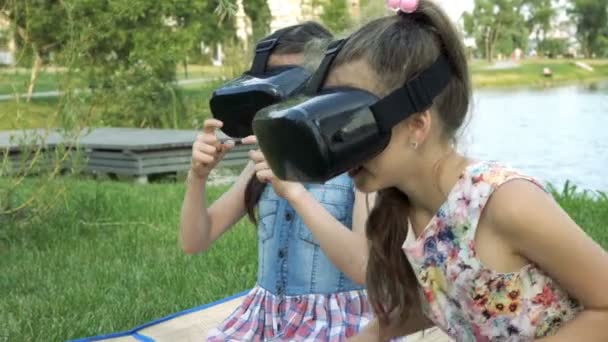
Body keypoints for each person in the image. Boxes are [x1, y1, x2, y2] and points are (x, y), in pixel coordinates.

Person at [253, 1, 608, 341]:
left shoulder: (503, 202)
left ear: (418, 124)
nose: (338, 141)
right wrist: (371, 335)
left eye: (352, 121)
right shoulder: (405, 207)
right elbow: (452, 299)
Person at [180, 22, 373, 341]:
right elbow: (194, 241)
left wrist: (296, 194)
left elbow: (365, 267)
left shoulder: (363, 162)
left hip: (337, 324)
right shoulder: (264, 157)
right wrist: (197, 177)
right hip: (265, 321)